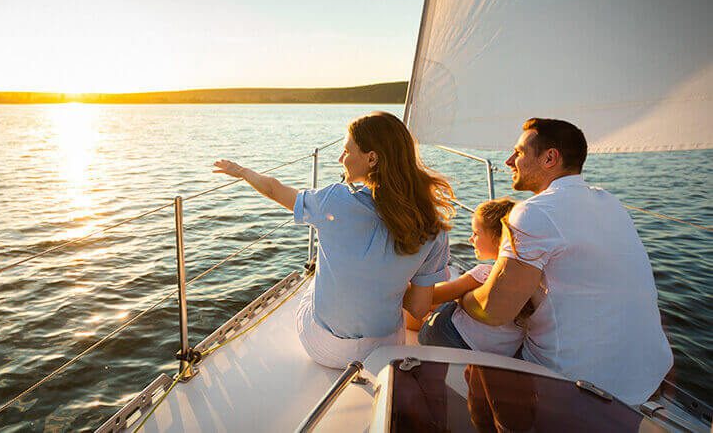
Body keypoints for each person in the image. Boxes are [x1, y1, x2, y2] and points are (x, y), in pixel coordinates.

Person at [213, 111, 455, 368]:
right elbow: (419, 309)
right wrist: (386, 283)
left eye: (347, 151)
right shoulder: (433, 227)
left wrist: (241, 171)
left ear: (372, 158)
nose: (340, 159)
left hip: (326, 348)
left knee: (315, 277)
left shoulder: (333, 200)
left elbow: (274, 189)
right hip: (386, 350)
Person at [457, 118, 672, 405]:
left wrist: (461, 297)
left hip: (577, 384)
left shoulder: (533, 213)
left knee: (452, 340)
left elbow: (494, 310)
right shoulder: (610, 202)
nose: (508, 161)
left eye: (519, 153)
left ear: (550, 158)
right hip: (647, 376)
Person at [415, 198, 538, 358]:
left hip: (447, 337)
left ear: (498, 239)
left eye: (476, 233)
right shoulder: (532, 279)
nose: (470, 239)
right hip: (499, 354)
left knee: (428, 305)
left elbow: (432, 297)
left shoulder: (483, 274)